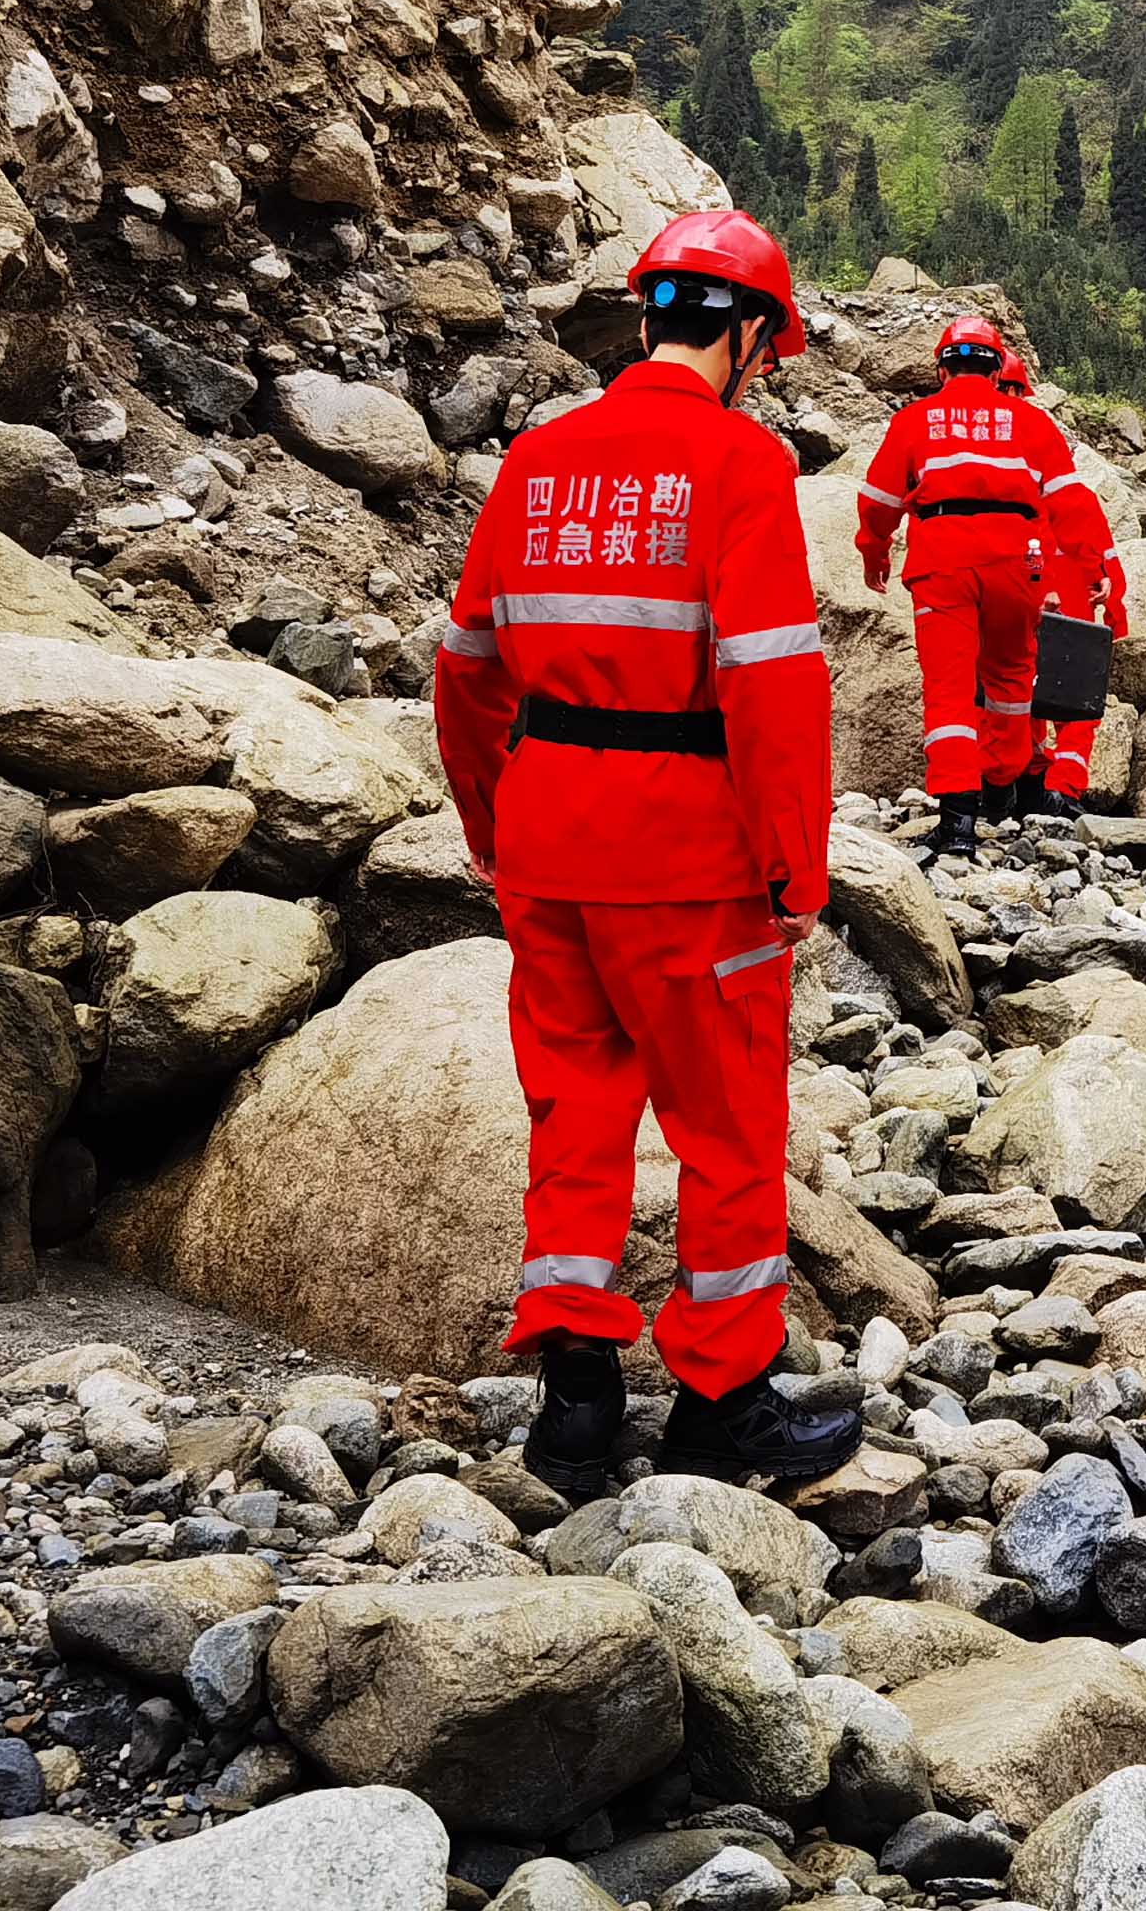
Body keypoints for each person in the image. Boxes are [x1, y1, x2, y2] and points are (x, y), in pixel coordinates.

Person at [432, 206, 859, 1500]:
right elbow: (774, 689)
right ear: (741, 336)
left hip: (550, 840)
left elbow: (466, 676)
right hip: (690, 856)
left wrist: (491, 828)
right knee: (727, 1128)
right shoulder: (739, 467)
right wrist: (798, 870)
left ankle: (573, 1410)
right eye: (766, 350)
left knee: (574, 1117)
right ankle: (723, 1405)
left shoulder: (539, 462)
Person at [854, 313, 1074, 852]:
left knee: (949, 687)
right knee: (1012, 674)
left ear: (942, 369)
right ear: (999, 369)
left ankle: (957, 822)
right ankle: (1001, 785)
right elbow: (1066, 502)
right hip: (1017, 559)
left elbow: (879, 502)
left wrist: (873, 551)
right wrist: (1075, 571)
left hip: (942, 558)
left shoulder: (916, 420)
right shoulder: (1030, 422)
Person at [998, 347, 1128, 811]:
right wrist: (1114, 606)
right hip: (1071, 602)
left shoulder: (991, 476)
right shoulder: (1068, 485)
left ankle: (1025, 780)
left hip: (1016, 596)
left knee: (1017, 689)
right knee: (1075, 701)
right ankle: (1062, 784)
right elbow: (1102, 553)